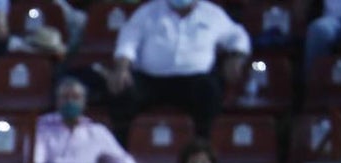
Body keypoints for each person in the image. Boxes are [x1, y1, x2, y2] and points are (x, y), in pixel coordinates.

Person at [102, 0, 251, 143]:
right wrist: (122, 68)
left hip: (194, 81)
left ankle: (202, 148)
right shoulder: (147, 12)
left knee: (210, 90)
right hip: (151, 80)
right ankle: (121, 148)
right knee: (122, 90)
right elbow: (128, 40)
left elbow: (237, 35)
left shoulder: (213, 14)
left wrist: (236, 57)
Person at [28, 76, 137, 163]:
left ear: (84, 102)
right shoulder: (42, 127)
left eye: (75, 97)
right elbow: (34, 158)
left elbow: (123, 159)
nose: (70, 102)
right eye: (65, 97)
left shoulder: (96, 131)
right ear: (57, 101)